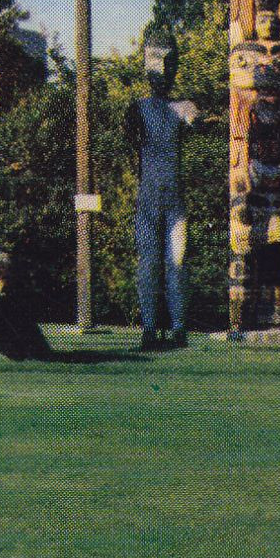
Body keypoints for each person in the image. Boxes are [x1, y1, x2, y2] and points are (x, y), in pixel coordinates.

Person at [125, 46, 200, 351]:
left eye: (165, 68)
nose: (160, 75)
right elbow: (132, 144)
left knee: (176, 263)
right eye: (155, 68)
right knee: (148, 263)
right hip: (148, 195)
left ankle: (178, 327)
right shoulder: (138, 108)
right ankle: (150, 327)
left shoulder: (184, 107)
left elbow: (196, 122)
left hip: (172, 195)